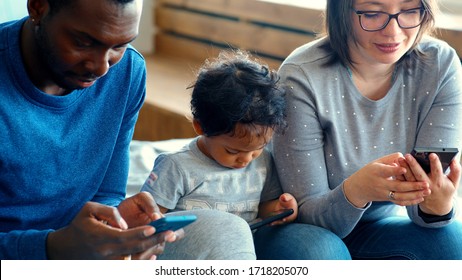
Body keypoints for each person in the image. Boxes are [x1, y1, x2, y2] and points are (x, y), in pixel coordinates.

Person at [0, 0, 253, 260]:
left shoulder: (126, 71)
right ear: (38, 7)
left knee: (224, 229)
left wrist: (118, 223)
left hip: (87, 253)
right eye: (83, 43)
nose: (102, 68)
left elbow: (107, 192)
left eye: (119, 45)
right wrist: (52, 248)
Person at [273, 0, 462, 259]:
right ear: (341, 13)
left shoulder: (440, 64)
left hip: (381, 225)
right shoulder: (301, 76)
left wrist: (437, 206)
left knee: (453, 242)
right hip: (309, 231)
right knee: (325, 253)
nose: (393, 32)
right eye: (373, 14)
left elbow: (427, 213)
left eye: (408, 12)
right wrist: (356, 191)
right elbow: (304, 211)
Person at [141, 50, 351, 260]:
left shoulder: (263, 161)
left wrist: (279, 209)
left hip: (247, 249)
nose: (246, 159)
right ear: (200, 127)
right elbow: (149, 220)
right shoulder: (175, 166)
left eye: (257, 149)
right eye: (233, 151)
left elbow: (263, 207)